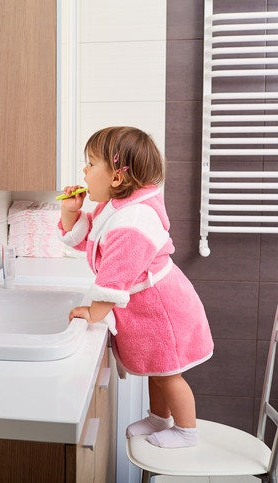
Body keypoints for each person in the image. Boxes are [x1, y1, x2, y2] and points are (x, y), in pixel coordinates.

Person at [57, 126, 214, 448]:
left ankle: (187, 431)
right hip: (151, 305)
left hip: (163, 307)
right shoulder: (114, 207)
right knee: (158, 367)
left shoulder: (134, 219)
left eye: (90, 164)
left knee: (169, 373)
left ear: (116, 177)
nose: (84, 172)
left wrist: (93, 311)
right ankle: (159, 419)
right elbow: (90, 244)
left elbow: (117, 274)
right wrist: (69, 213)